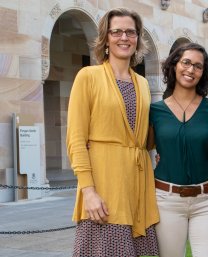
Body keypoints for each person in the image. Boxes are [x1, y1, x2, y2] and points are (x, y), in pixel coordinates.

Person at [66, 7, 159, 257]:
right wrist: (89, 191)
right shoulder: (88, 76)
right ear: (106, 38)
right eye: (116, 31)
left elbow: (145, 138)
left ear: (138, 38)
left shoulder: (142, 83)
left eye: (130, 32)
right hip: (104, 188)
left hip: (137, 188)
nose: (124, 37)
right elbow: (75, 140)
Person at [147, 42, 208, 257]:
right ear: (174, 65)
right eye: (186, 63)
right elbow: (140, 149)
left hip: (207, 201)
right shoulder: (154, 111)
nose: (191, 70)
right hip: (166, 200)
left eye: (198, 66)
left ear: (203, 72)